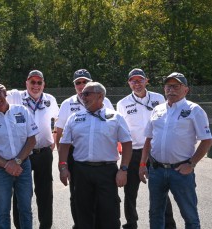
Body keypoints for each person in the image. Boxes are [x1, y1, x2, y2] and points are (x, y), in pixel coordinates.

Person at [139, 72, 212, 228]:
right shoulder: (157, 109)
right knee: (155, 214)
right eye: (168, 86)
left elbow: (207, 140)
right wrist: (142, 164)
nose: (171, 89)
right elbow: (148, 139)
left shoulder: (194, 110)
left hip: (181, 171)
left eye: (176, 86)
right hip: (157, 170)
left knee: (189, 215)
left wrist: (191, 164)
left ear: (186, 89)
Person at [58, 81, 132, 229]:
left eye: (87, 93)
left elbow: (127, 143)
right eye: (81, 94)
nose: (82, 96)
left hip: (107, 171)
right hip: (81, 171)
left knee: (109, 212)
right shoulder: (74, 117)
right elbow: (64, 143)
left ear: (100, 96)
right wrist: (63, 167)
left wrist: (123, 169)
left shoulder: (115, 117)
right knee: (83, 212)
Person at [54, 69, 114, 229]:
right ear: (74, 85)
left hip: (100, 154)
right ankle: (80, 224)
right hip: (76, 154)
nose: (81, 85)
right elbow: (59, 133)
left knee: (102, 195)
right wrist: (63, 162)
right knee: (77, 194)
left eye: (85, 82)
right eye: (78, 83)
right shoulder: (67, 103)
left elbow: (114, 128)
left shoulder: (105, 101)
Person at [117, 68, 176, 229]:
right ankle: (131, 223)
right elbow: (120, 129)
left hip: (155, 152)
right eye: (133, 81)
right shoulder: (122, 103)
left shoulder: (158, 98)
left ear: (146, 81)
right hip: (133, 152)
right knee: (130, 192)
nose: (137, 83)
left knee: (161, 190)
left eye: (140, 80)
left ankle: (169, 224)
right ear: (129, 83)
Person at [0, 81, 39, 229]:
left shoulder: (22, 110)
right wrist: (8, 165)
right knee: (3, 210)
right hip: (1, 169)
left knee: (25, 209)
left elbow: (31, 139)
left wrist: (17, 162)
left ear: (4, 93)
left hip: (23, 167)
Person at [7, 70, 59, 229]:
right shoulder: (15, 96)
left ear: (43, 84)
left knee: (45, 193)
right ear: (26, 83)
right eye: (32, 82)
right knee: (21, 193)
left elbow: (58, 120)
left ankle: (46, 225)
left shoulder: (50, 99)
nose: (35, 86)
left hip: (43, 152)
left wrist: (54, 140)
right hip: (22, 154)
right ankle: (20, 225)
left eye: (39, 82)